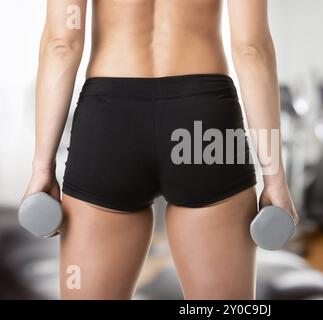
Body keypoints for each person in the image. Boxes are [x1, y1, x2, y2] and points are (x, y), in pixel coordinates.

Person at [23, 0, 298, 300]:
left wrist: (42, 167)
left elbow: (61, 44)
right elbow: (252, 49)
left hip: (110, 126)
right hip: (204, 124)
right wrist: (275, 177)